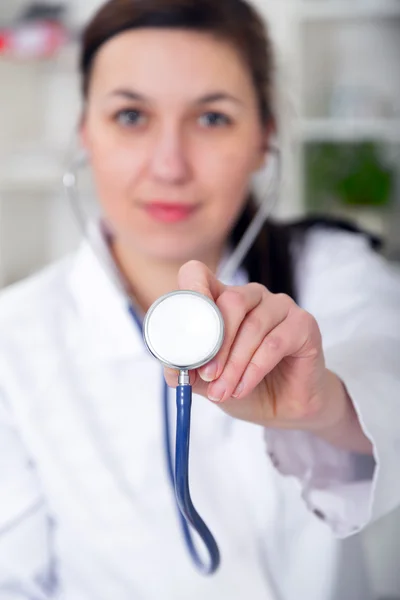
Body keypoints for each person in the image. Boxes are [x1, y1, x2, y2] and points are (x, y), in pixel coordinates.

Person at [0, 0, 399, 598]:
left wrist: (325, 407)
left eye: (212, 119)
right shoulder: (15, 336)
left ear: (265, 135)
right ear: (86, 131)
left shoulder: (335, 271)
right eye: (131, 115)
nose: (169, 165)